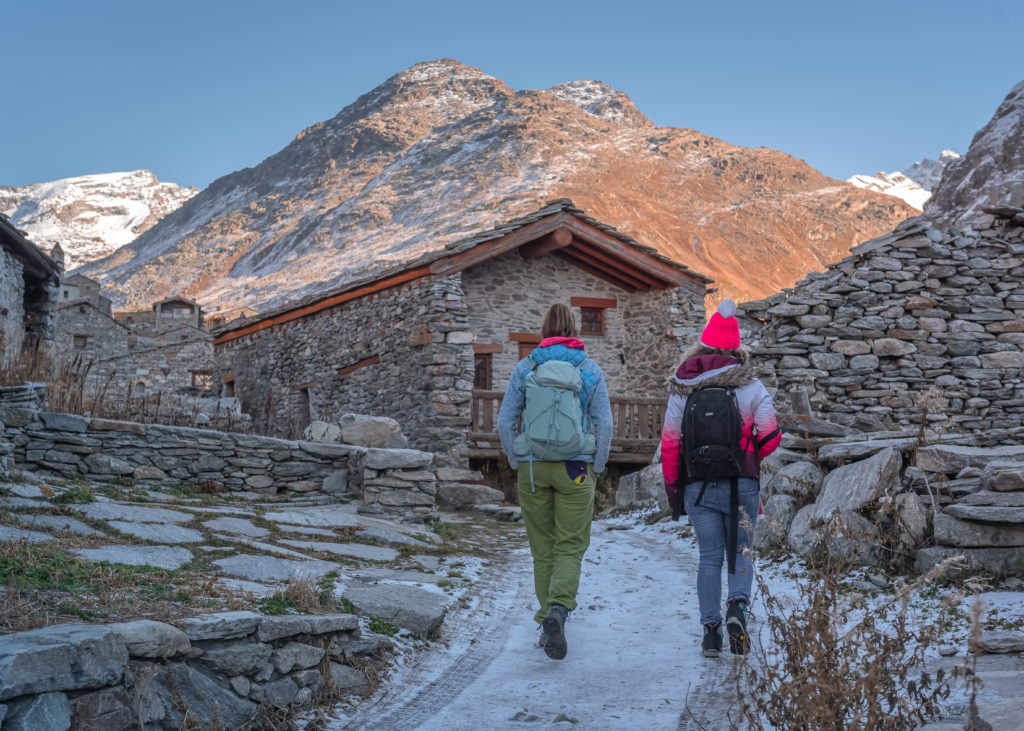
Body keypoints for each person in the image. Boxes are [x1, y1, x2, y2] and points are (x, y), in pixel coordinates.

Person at [660, 299, 780, 657]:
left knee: (709, 556)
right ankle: (737, 609)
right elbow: (770, 434)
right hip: (742, 482)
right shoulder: (751, 386)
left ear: (703, 342)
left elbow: (669, 443)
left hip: (698, 485)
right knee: (740, 551)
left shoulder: (683, 385)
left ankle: (710, 632)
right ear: (736, 346)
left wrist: (674, 491)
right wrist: (751, 452)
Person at [498, 303, 612, 661]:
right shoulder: (588, 368)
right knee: (570, 545)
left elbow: (505, 421)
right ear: (575, 330)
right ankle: (558, 611)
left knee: (542, 549)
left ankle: (546, 616)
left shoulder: (526, 366)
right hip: (575, 468)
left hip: (534, 468)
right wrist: (598, 465)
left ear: (544, 330)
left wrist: (517, 459)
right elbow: (604, 424)